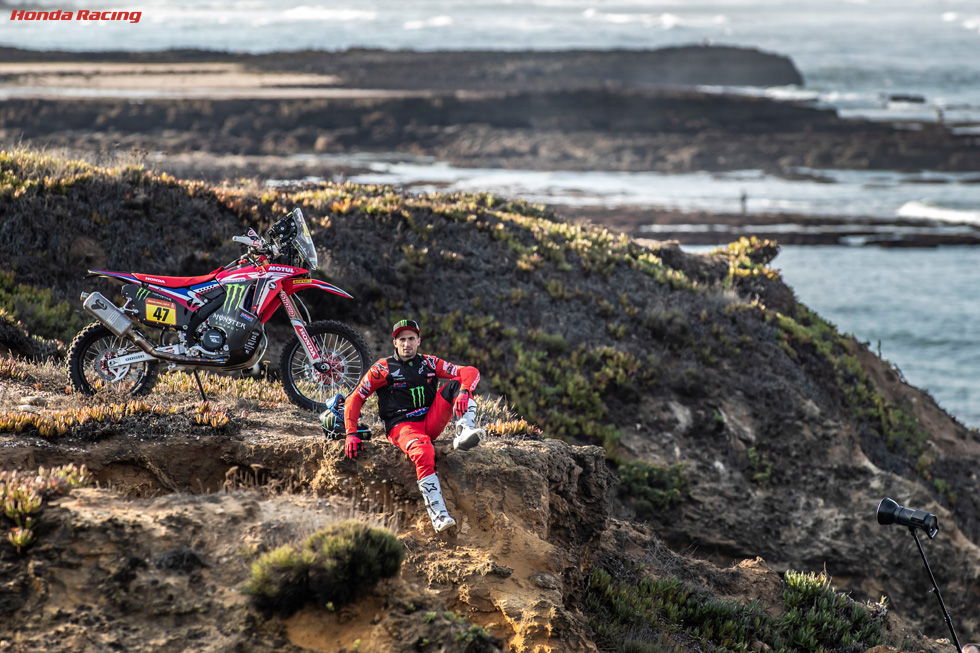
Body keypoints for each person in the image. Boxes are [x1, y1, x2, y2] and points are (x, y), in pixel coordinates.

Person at [337, 318, 484, 533]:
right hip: (402, 426)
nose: (407, 344)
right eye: (402, 339)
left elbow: (470, 371)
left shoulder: (430, 363)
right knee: (424, 451)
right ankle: (438, 514)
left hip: (430, 420)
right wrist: (351, 432)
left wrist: (465, 392)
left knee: (456, 386)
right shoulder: (382, 368)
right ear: (395, 343)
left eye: (411, 339)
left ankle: (464, 431)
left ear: (419, 341)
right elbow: (355, 398)